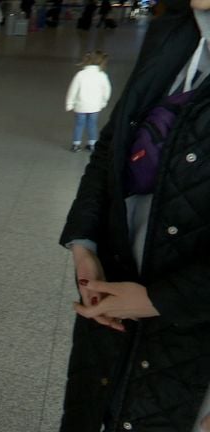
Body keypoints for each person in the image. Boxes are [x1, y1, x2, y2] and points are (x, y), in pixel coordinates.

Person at [59, 1, 210, 430]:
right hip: (111, 308)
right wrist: (85, 246)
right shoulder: (174, 35)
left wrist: (153, 300)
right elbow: (111, 145)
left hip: (188, 348)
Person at [65, 50, 112, 152]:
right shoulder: (102, 75)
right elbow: (107, 90)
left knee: (79, 124)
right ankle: (92, 144)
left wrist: (69, 103)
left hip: (81, 106)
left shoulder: (80, 74)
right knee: (92, 124)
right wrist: (104, 102)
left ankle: (76, 144)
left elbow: (72, 90)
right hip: (95, 106)